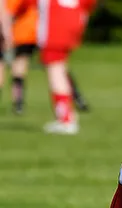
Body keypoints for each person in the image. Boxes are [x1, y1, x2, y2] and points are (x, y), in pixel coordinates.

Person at [0, 0, 88, 114]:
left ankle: (19, 103)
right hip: (45, 30)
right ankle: (76, 98)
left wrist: (7, 32)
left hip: (29, 32)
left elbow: (9, 11)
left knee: (28, 64)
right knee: (58, 66)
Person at [37, 0, 95, 133]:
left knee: (55, 71)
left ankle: (66, 118)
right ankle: (69, 116)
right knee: (61, 69)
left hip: (55, 28)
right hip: (73, 24)